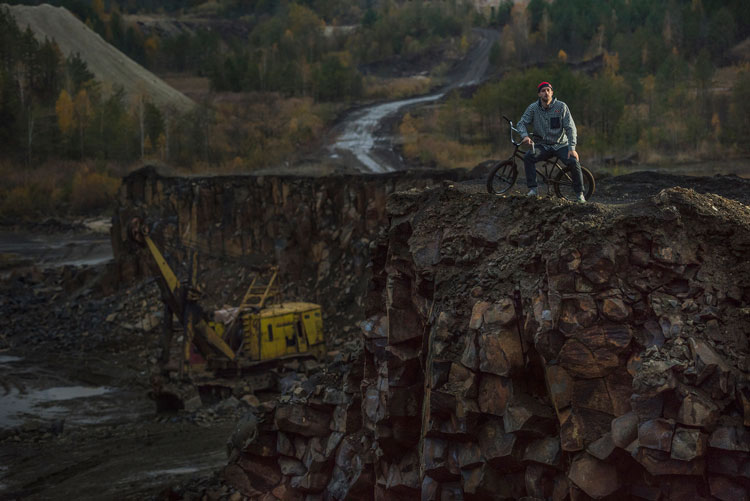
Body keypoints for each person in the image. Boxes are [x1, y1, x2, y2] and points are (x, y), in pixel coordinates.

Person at [516, 81, 585, 202]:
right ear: (539, 94)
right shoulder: (533, 108)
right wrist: (525, 136)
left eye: (548, 90)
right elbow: (521, 123)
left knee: (573, 161)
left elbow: (570, 128)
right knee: (528, 157)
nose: (546, 93)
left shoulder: (561, 106)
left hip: (560, 145)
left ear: (552, 92)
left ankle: (579, 194)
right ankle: (533, 190)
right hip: (542, 146)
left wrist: (572, 148)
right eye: (543, 91)